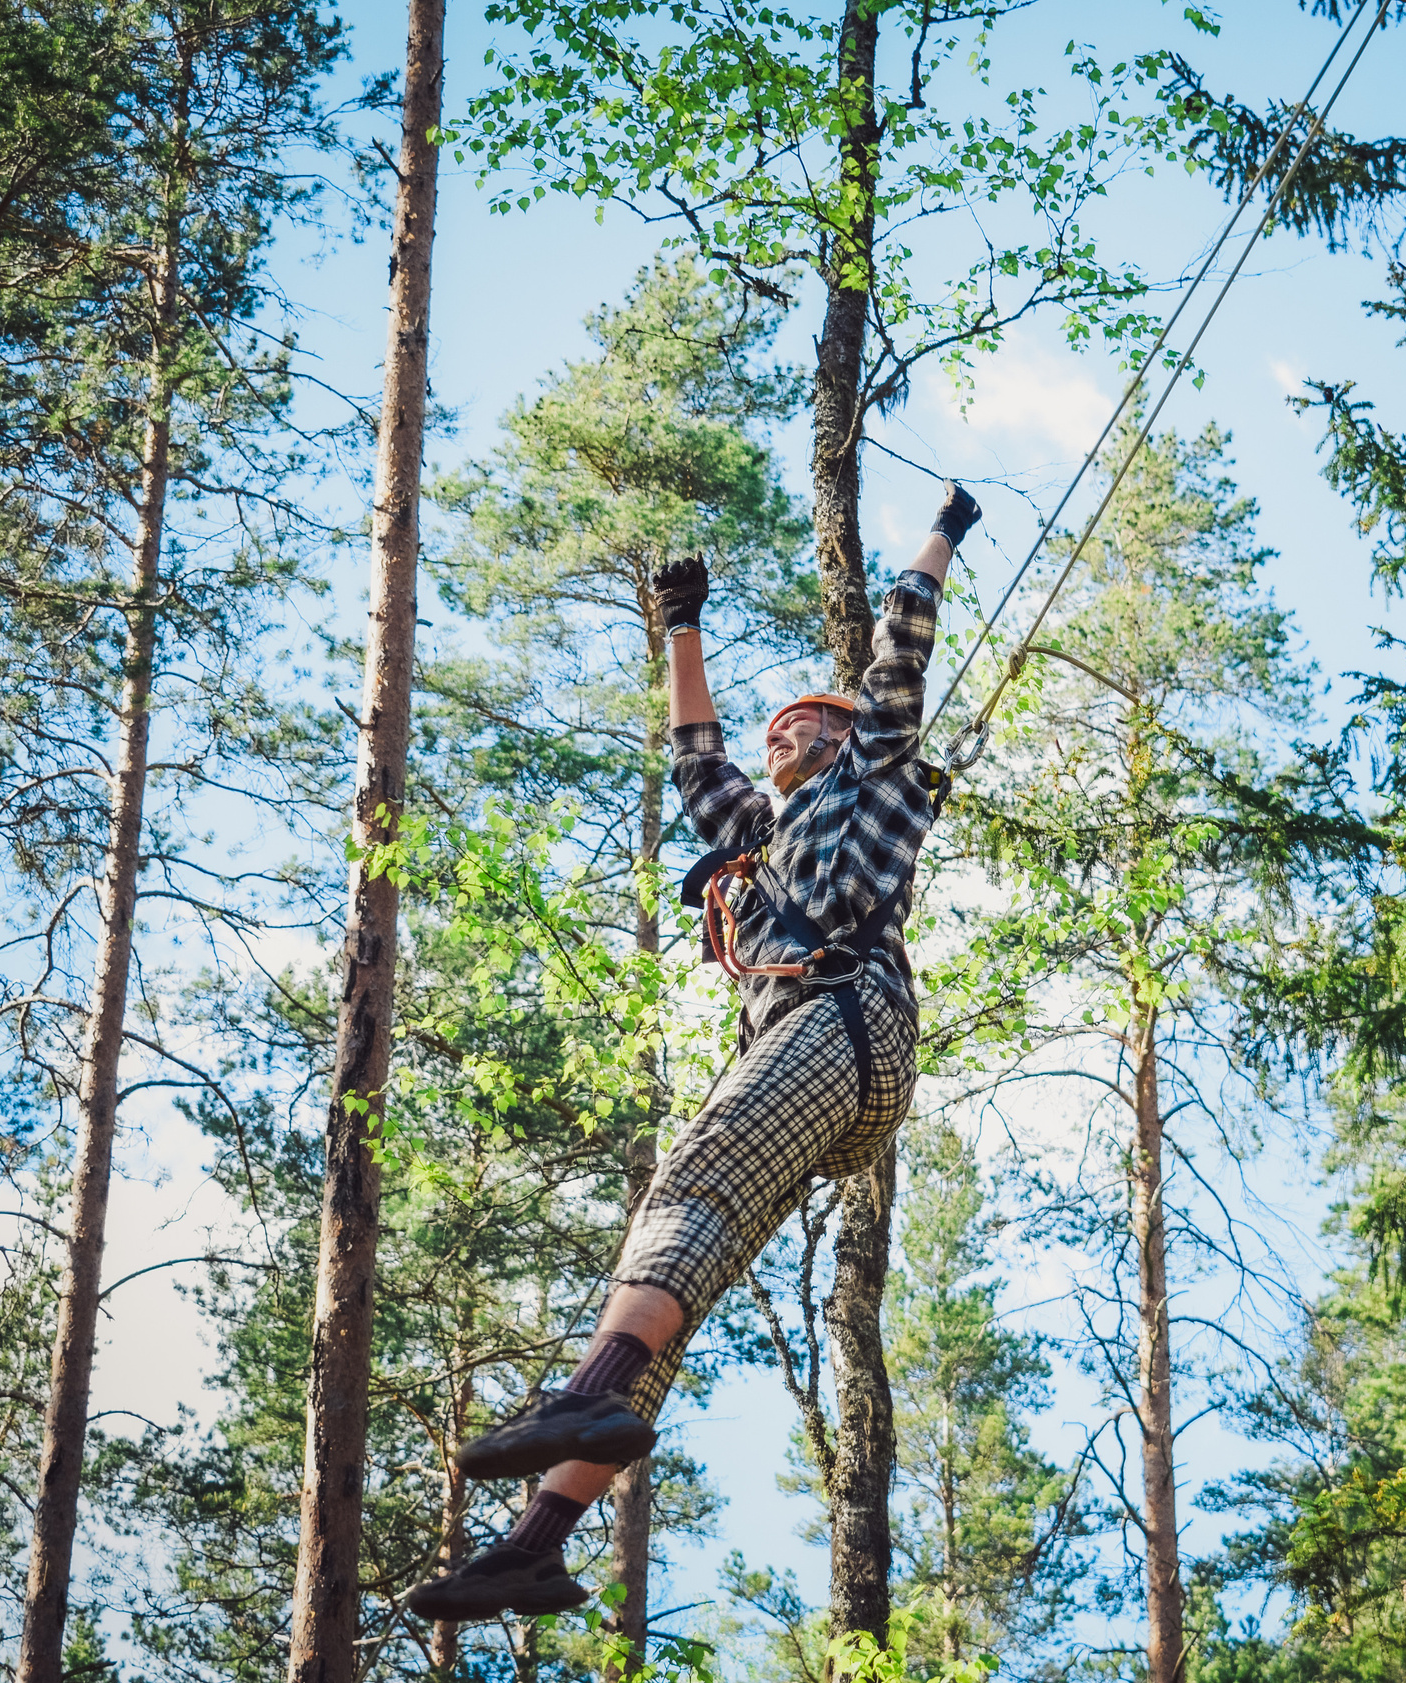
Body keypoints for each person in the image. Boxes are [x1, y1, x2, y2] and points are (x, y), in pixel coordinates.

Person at [405, 482, 981, 1618]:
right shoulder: (759, 839)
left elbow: (902, 635)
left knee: (693, 1181)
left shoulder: (872, 775)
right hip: (818, 1056)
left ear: (849, 734)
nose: (782, 736)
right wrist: (680, 627)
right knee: (678, 1260)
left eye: (802, 723)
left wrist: (943, 531)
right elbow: (695, 757)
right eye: (776, 733)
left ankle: (579, 1399)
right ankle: (535, 1542)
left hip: (846, 1019)